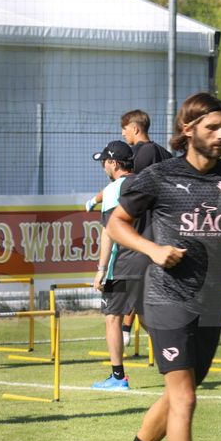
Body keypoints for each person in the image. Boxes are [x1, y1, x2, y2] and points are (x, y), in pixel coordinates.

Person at [103, 93, 221, 441]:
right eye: (212, 127)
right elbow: (116, 224)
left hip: (210, 303)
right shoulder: (159, 176)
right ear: (188, 130)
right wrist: (152, 249)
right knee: (186, 397)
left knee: (177, 396)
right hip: (166, 297)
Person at [85, 110, 171, 346]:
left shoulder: (141, 155)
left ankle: (124, 335)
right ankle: (170, 347)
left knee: (118, 308)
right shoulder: (164, 153)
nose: (123, 134)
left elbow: (123, 185)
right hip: (158, 235)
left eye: (124, 129)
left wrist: (94, 200)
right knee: (145, 309)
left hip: (137, 241)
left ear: (135, 128)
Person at [91, 140, 148, 391]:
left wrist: (101, 270)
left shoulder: (113, 189)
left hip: (123, 263)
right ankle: (183, 360)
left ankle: (117, 377)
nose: (103, 166)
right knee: (148, 318)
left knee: (112, 317)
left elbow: (109, 233)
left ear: (114, 163)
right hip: (150, 260)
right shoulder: (146, 183)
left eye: (104, 161)